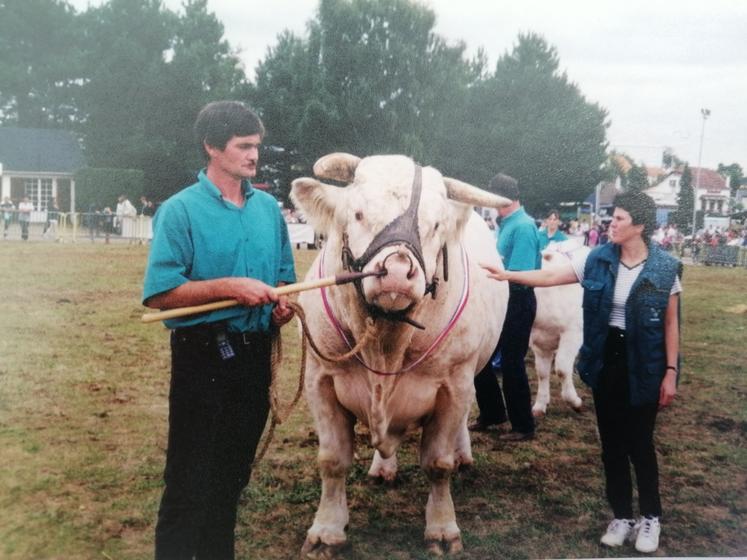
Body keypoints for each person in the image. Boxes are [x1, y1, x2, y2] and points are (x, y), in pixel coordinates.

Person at [482, 191, 681, 554]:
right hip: (606, 361)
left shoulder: (665, 268)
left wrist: (670, 372)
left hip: (646, 364)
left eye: (619, 218)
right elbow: (551, 276)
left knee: (640, 443)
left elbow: (671, 324)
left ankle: (650, 517)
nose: (611, 224)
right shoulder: (598, 258)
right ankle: (622, 516)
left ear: (639, 225)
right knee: (612, 447)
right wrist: (507, 274)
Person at [142, 100, 296, 560]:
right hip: (202, 356)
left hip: (254, 357)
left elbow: (284, 277)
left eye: (257, 147)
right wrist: (227, 287)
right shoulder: (179, 211)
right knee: (189, 480)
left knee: (231, 478)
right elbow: (160, 294)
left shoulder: (268, 209)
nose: (254, 156)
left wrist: (282, 301)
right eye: (243, 146)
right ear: (212, 147)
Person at [470, 173, 538, 442]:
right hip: (501, 298)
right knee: (481, 359)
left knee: (512, 364)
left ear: (501, 199)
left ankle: (523, 425)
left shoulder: (523, 226)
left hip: (517, 300)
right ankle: (493, 412)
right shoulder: (507, 223)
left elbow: (520, 273)